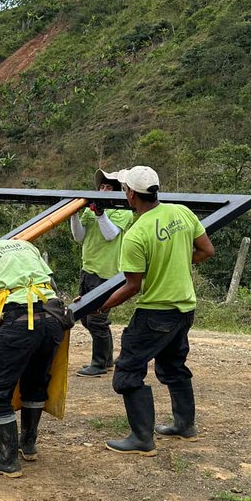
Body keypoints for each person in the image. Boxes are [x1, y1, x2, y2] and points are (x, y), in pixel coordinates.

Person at [93, 166, 214, 455]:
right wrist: (177, 264)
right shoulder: (182, 212)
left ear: (130, 193)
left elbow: (132, 286)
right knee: (173, 366)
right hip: (184, 308)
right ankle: (185, 425)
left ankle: (142, 439)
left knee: (128, 370)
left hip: (156, 313)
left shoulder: (137, 234)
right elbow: (207, 251)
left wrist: (101, 306)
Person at [0, 216, 70, 477]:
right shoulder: (23, 245)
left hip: (18, 321)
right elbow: (51, 285)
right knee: (35, 381)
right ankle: (28, 445)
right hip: (53, 319)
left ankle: (7, 458)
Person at [70, 169, 134, 376]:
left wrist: (100, 213)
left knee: (97, 319)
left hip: (108, 273)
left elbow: (110, 234)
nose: (104, 190)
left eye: (108, 187)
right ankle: (106, 359)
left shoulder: (123, 210)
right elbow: (79, 237)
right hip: (88, 268)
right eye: (102, 187)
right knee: (87, 319)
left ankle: (98, 364)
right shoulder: (92, 208)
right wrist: (73, 214)